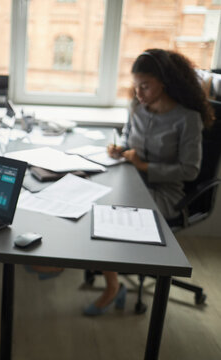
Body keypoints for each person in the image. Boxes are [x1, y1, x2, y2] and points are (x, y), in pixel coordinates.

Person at [84, 49, 215, 316]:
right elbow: (127, 138)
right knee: (93, 199)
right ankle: (112, 281)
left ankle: (112, 286)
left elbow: (190, 171)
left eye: (145, 86)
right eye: (135, 86)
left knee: (109, 215)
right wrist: (119, 149)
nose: (138, 93)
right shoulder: (136, 108)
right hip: (131, 181)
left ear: (164, 83)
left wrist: (144, 165)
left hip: (165, 193)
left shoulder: (187, 119)